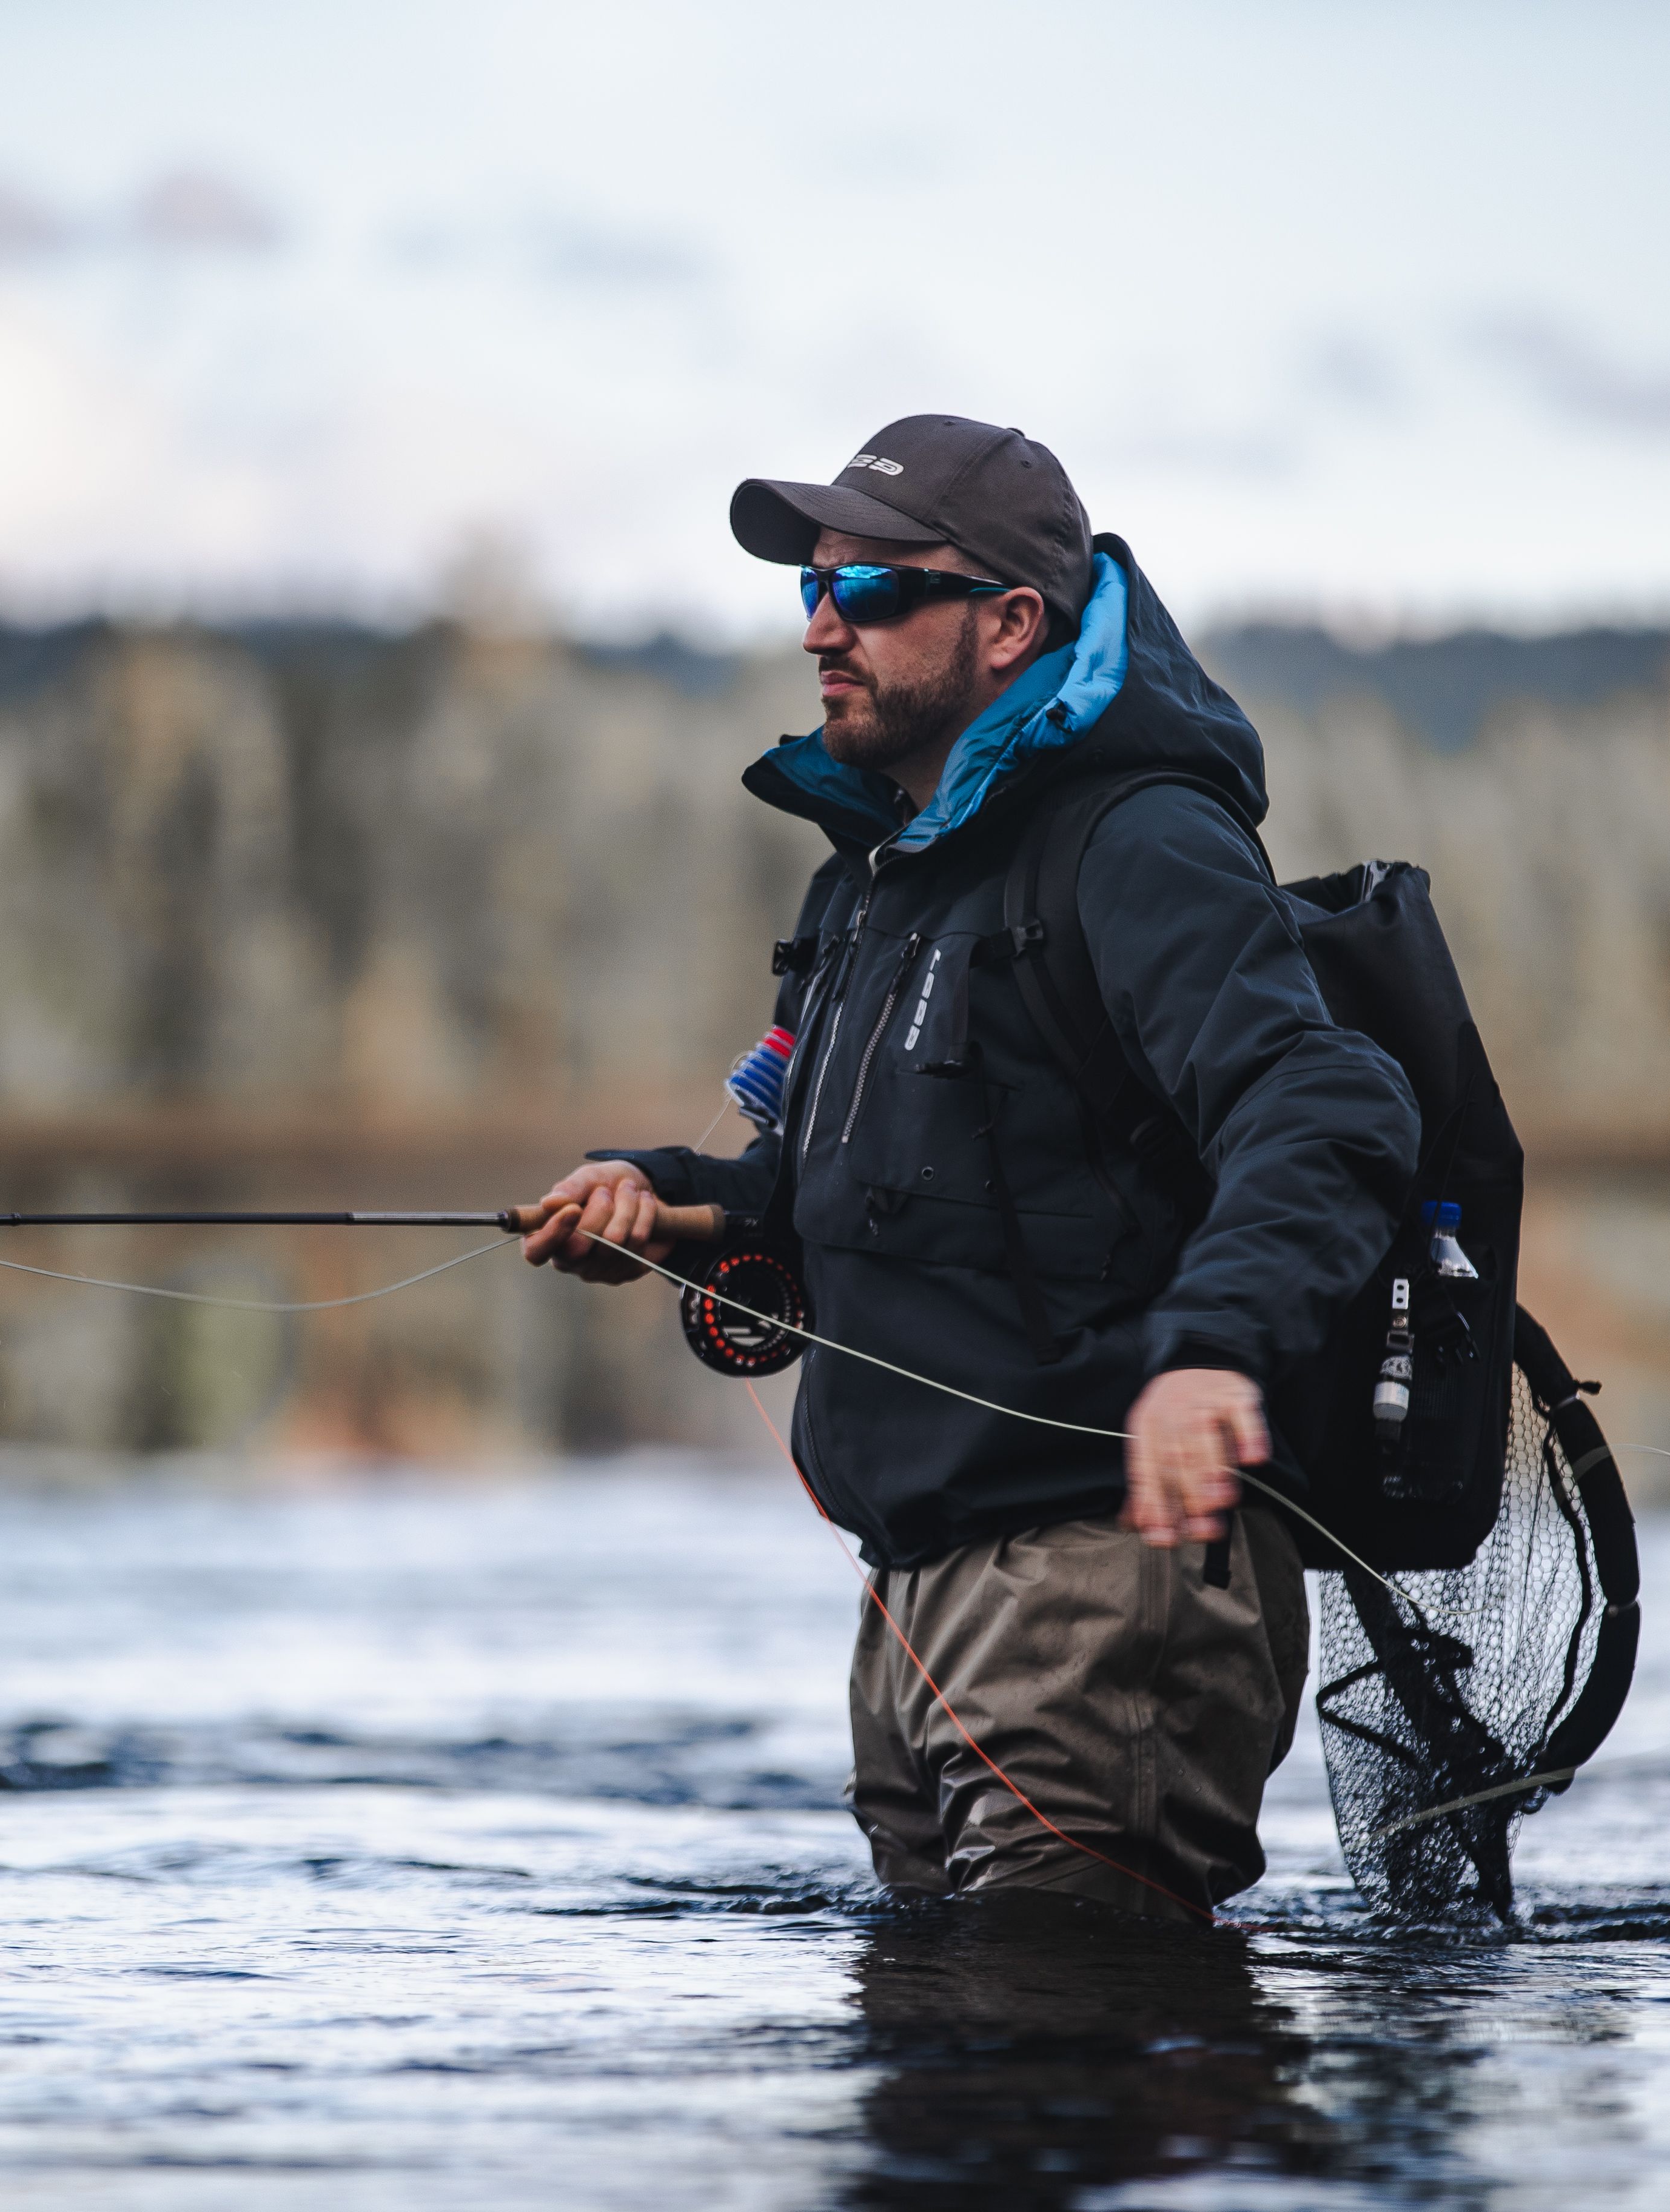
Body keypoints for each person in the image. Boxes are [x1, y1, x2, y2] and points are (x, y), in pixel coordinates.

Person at [523, 415, 1417, 1920]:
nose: (823, 624)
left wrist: (1214, 1357)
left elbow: (1329, 1105)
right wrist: (663, 1198)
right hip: (916, 1597)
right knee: (948, 2096)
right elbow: (829, 1186)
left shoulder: (1137, 841)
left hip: (1100, 1576)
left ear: (1011, 624)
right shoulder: (868, 876)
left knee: (1051, 2068)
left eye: (873, 590)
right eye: (812, 587)